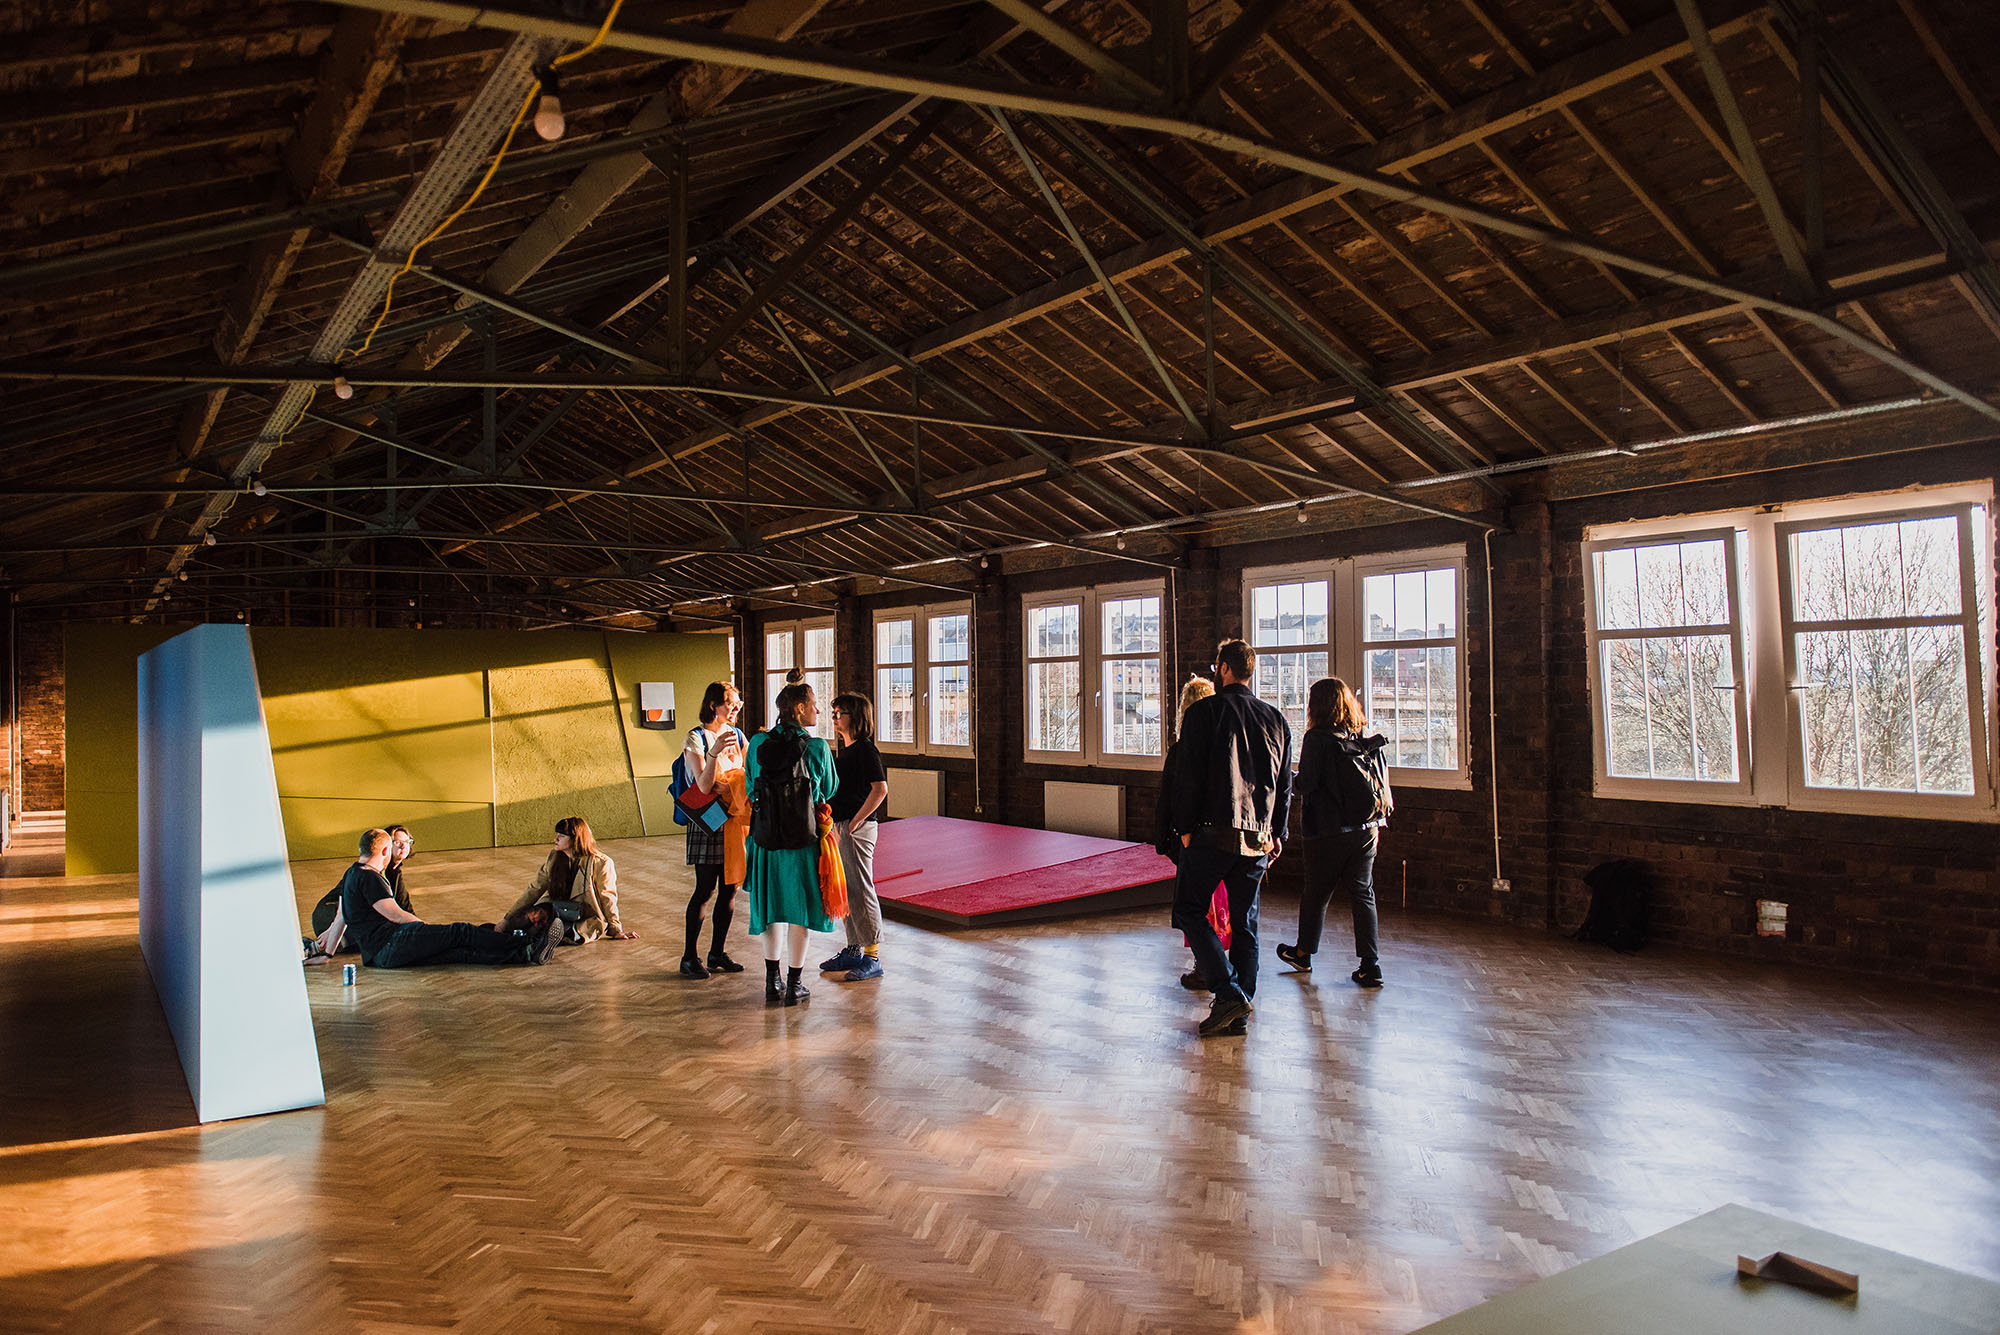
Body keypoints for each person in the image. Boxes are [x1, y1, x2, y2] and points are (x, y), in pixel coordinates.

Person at [1169, 639, 1293, 1037]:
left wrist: (1184, 829)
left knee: (1189, 910)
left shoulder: (1203, 713)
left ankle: (1227, 991)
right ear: (1250, 671)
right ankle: (1240, 1006)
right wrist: (1278, 834)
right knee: (1246, 924)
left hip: (1211, 833)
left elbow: (1188, 777)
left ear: (1223, 669)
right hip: (1258, 837)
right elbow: (1284, 786)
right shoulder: (1276, 719)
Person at [1278, 678, 1392, 988]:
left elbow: (1306, 785)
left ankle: (1303, 953)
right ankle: (1371, 965)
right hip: (1367, 829)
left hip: (1327, 830)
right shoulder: (1354, 736)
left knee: (1316, 893)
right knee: (1363, 893)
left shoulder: (1317, 738)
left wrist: (1285, 776)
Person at [744, 672, 838, 1006]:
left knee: (770, 910)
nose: (818, 711)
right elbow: (829, 789)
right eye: (813, 705)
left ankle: (773, 981)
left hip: (765, 841)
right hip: (803, 842)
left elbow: (748, 785)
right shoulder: (816, 747)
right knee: (801, 911)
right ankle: (796, 983)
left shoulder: (757, 744)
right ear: (799, 709)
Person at [340, 827, 559, 969]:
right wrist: (423, 927)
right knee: (460, 932)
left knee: (460, 953)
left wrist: (326, 952)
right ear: (386, 851)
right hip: (394, 943)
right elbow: (395, 914)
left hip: (379, 958)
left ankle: (526, 953)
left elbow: (343, 915)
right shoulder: (370, 878)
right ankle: (527, 942)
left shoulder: (352, 873)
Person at [1155, 675, 1230, 992]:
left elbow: (1171, 797)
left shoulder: (1183, 749)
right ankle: (1221, 961)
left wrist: (1169, 838)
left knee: (1196, 907)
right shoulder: (1227, 745)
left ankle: (1208, 967)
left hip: (1196, 838)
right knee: (1220, 902)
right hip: (1227, 837)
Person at [679, 681, 749, 979]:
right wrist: (714, 753)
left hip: (733, 822)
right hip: (708, 822)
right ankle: (689, 957)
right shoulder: (696, 738)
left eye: (738, 704)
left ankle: (717, 952)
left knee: (729, 890)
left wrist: (732, 783)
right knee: (705, 889)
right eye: (731, 703)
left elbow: (746, 774)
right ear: (713, 706)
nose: (736, 708)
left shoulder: (739, 736)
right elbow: (704, 786)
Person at [820, 691, 889, 983]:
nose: (834, 718)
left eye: (840, 713)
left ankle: (872, 956)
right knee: (845, 888)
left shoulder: (864, 749)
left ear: (856, 717)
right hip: (841, 824)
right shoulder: (845, 749)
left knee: (861, 888)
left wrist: (857, 820)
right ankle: (853, 947)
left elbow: (880, 789)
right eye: (833, 713)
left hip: (856, 828)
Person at [499, 817, 633, 943]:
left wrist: (616, 930)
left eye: (561, 836)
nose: (555, 839)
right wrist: (507, 919)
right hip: (555, 907)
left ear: (575, 839)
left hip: (582, 916)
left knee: (540, 931)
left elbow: (608, 897)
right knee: (521, 920)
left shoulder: (601, 863)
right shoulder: (554, 857)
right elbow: (535, 889)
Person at [307, 824, 415, 959]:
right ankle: (314, 946)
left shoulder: (394, 872)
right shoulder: (369, 871)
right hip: (329, 914)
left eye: (407, 842)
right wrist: (331, 928)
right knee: (379, 931)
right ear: (384, 845)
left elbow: (404, 909)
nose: (404, 846)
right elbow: (345, 906)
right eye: (398, 842)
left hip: (345, 921)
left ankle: (330, 944)